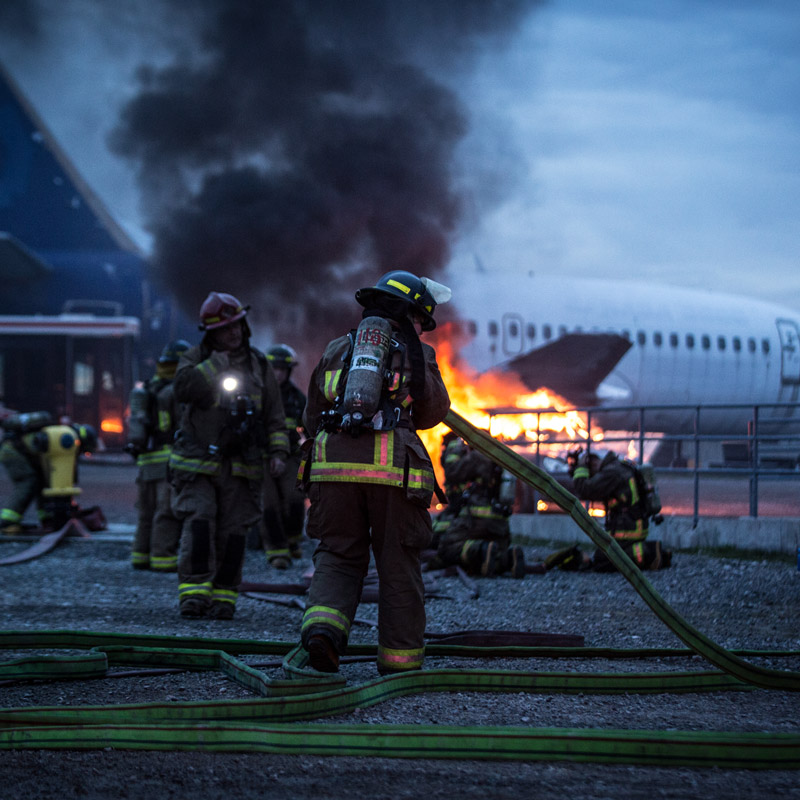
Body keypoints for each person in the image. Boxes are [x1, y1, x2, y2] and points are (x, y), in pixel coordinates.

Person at [298, 270, 452, 675]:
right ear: (410, 313)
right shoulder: (416, 353)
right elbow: (434, 413)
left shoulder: (336, 350)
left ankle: (322, 634)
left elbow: (311, 417)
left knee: (338, 554)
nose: (421, 328)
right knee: (397, 563)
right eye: (421, 319)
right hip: (391, 476)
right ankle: (399, 662)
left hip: (332, 471)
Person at [169, 292, 289, 619]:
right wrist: (216, 364)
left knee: (234, 533)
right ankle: (193, 594)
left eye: (236, 325)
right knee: (200, 521)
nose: (233, 333)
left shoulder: (259, 365)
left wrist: (279, 451)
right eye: (224, 329)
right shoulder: (194, 359)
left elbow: (275, 416)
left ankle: (224, 597)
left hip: (243, 466)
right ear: (211, 334)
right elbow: (183, 389)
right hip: (198, 464)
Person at [551, 449, 671, 572]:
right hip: (633, 525)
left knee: (602, 561)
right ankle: (650, 552)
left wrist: (581, 468)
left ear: (593, 464)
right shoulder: (618, 466)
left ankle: (651, 552)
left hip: (629, 530)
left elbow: (585, 489)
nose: (594, 477)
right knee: (603, 558)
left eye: (591, 473)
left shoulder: (611, 473)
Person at [128, 339, 191, 571]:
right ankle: (162, 557)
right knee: (167, 511)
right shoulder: (176, 390)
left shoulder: (149, 386)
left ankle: (140, 556)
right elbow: (184, 425)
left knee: (146, 512)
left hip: (146, 461)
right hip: (167, 460)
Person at [434, 436, 526, 578]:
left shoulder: (478, 457)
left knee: (446, 548)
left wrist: (456, 448)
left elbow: (452, 472)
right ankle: (508, 558)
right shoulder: (500, 460)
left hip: (476, 518)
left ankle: (479, 549)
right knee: (494, 554)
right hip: (500, 523)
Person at [254, 344, 308, 569]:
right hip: (262, 457)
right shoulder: (257, 395)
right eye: (273, 369)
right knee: (270, 505)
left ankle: (293, 541)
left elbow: (308, 428)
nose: (277, 373)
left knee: (295, 500)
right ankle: (277, 551)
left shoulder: (297, 398)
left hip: (290, 456)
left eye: (281, 369)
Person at [1, 412, 97, 532]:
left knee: (43, 482)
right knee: (28, 482)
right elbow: (61, 474)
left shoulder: (63, 434)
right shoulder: (65, 438)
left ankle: (47, 518)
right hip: (13, 452)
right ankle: (7, 521)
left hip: (21, 452)